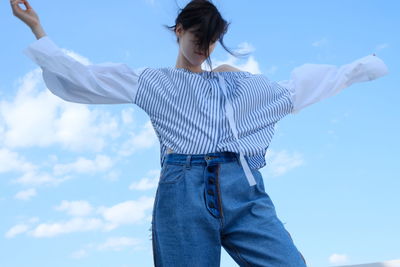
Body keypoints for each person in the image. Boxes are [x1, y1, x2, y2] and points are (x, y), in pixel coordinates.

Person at [11, 0, 389, 266]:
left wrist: (363, 68)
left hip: (243, 190)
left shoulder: (237, 86)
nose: (203, 49)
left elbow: (296, 91)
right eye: (197, 39)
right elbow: (85, 78)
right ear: (179, 31)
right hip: (184, 191)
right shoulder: (155, 82)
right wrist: (38, 29)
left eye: (210, 42)